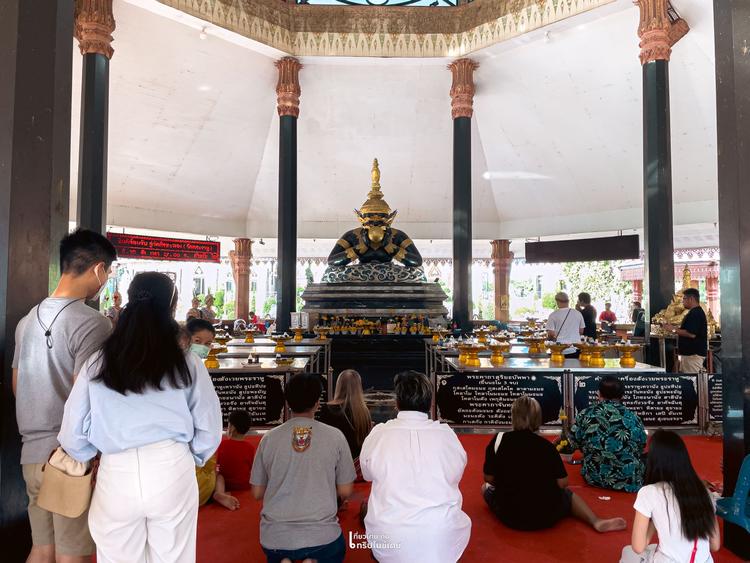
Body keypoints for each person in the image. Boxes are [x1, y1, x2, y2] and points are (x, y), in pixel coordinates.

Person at [58, 272, 222, 563]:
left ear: (130, 301)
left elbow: (72, 431)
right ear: (172, 307)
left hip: (116, 471)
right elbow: (209, 427)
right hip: (172, 467)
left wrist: (91, 453)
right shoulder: (187, 362)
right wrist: (192, 457)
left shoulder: (98, 361)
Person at [12, 228, 116, 563]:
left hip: (30, 455)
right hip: (69, 457)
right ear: (98, 269)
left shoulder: (27, 320)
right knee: (74, 555)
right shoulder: (93, 323)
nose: (107, 280)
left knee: (42, 550)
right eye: (109, 272)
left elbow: (18, 385)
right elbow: (84, 395)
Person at [360, 371, 471, 563]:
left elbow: (367, 475)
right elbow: (456, 474)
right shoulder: (447, 435)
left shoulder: (379, 433)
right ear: (429, 404)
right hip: (442, 540)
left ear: (396, 403)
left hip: (389, 540)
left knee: (367, 509)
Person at [251, 372, 355, 563]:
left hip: (275, 538)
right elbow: (346, 490)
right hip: (322, 536)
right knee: (333, 549)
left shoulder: (269, 438)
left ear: (287, 401)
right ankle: (312, 559)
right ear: (317, 402)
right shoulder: (335, 436)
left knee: (278, 550)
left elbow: (257, 492)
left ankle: (285, 558)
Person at [483, 396, 626, 533]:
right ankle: (595, 521)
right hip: (546, 515)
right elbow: (563, 483)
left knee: (485, 489)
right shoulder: (547, 447)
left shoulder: (498, 440)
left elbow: (488, 478)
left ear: (513, 416)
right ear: (537, 419)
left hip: (510, 516)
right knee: (568, 495)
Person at [620, 430, 720, 563]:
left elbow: (638, 547)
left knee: (628, 553)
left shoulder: (649, 493)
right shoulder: (704, 492)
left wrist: (654, 522)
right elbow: (715, 545)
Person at [570, 375, 647, 492]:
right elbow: (641, 445)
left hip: (595, 477)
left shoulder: (586, 414)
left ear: (599, 394)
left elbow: (573, 443)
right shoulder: (633, 417)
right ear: (622, 396)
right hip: (629, 480)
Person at [318, 369, 372, 479]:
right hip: (356, 469)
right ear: (358, 387)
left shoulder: (326, 409)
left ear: (338, 385)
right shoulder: (363, 412)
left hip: (333, 468)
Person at [213, 410, 256, 511]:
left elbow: (216, 464)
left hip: (225, 485)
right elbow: (252, 468)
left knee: (219, 476)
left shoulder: (222, 445)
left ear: (232, 428)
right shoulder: (250, 448)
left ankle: (219, 493)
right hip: (244, 485)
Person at [663, 288, 708, 373]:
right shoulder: (693, 312)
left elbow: (691, 334)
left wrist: (673, 329)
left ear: (691, 299)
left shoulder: (696, 313)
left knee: (691, 381)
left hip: (693, 355)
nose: (682, 301)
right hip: (689, 355)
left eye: (684, 299)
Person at [546, 292, 585, 356]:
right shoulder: (578, 313)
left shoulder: (553, 315)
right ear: (568, 301)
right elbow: (581, 331)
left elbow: (551, 334)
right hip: (576, 348)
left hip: (559, 349)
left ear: (557, 301)